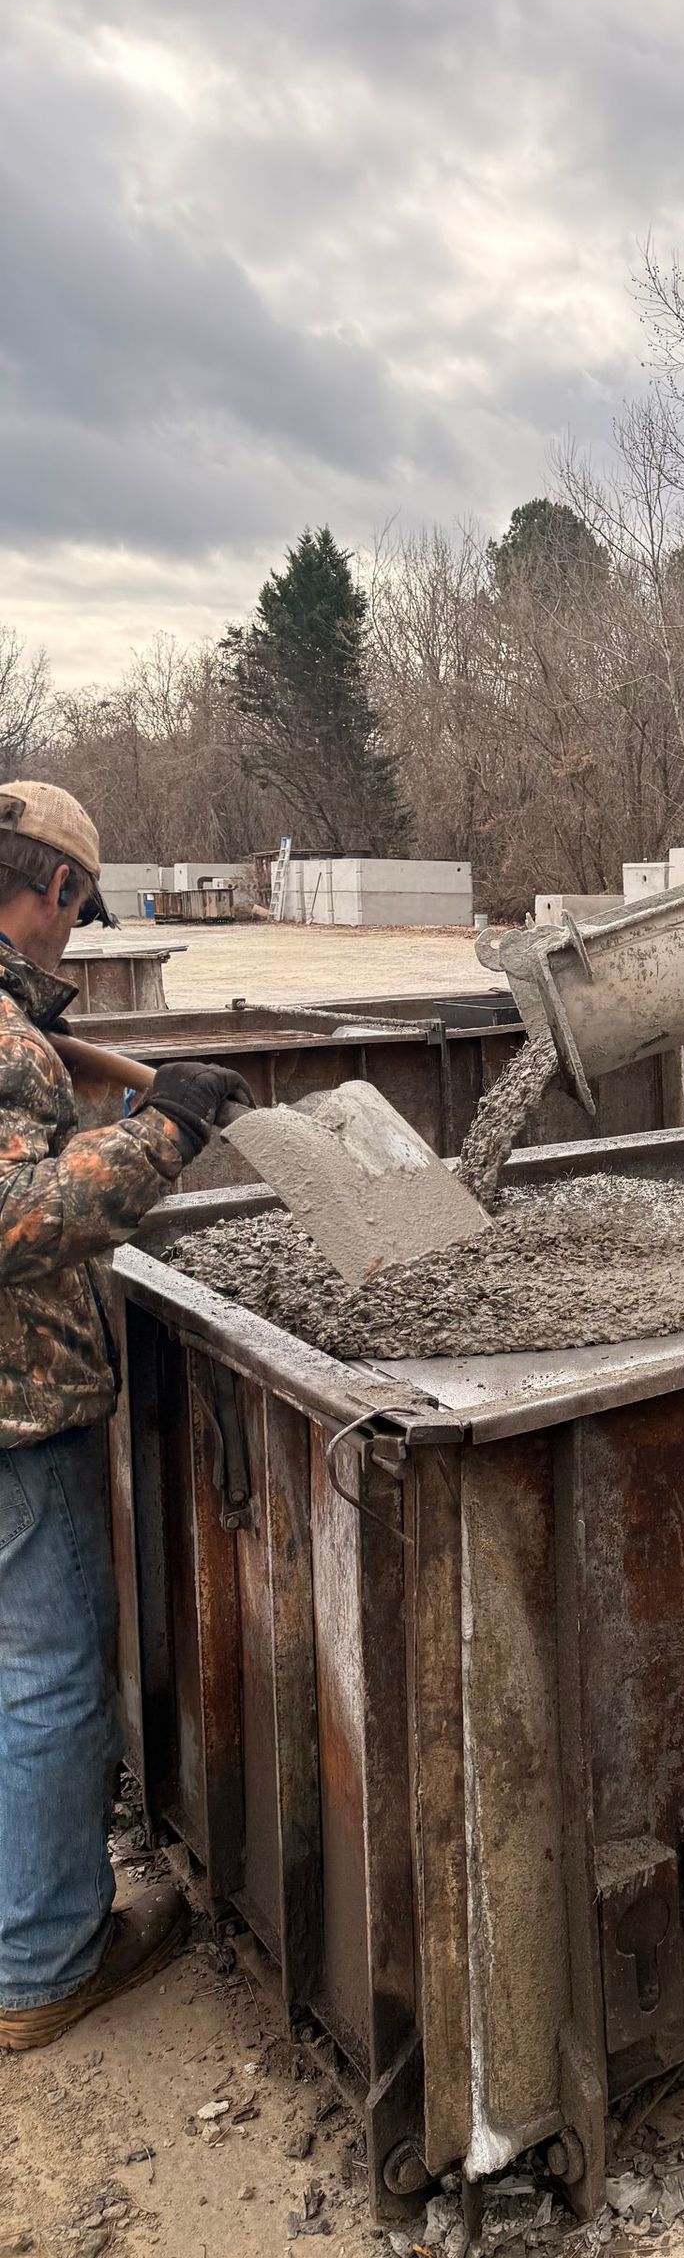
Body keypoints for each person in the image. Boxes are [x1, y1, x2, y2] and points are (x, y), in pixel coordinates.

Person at [0, 783, 251, 2051]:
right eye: (77, 912)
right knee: (48, 1679)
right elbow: (13, 1217)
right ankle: (45, 1966)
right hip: (12, 1417)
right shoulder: (1, 1039)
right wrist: (165, 1127)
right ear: (53, 890)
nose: (72, 936)